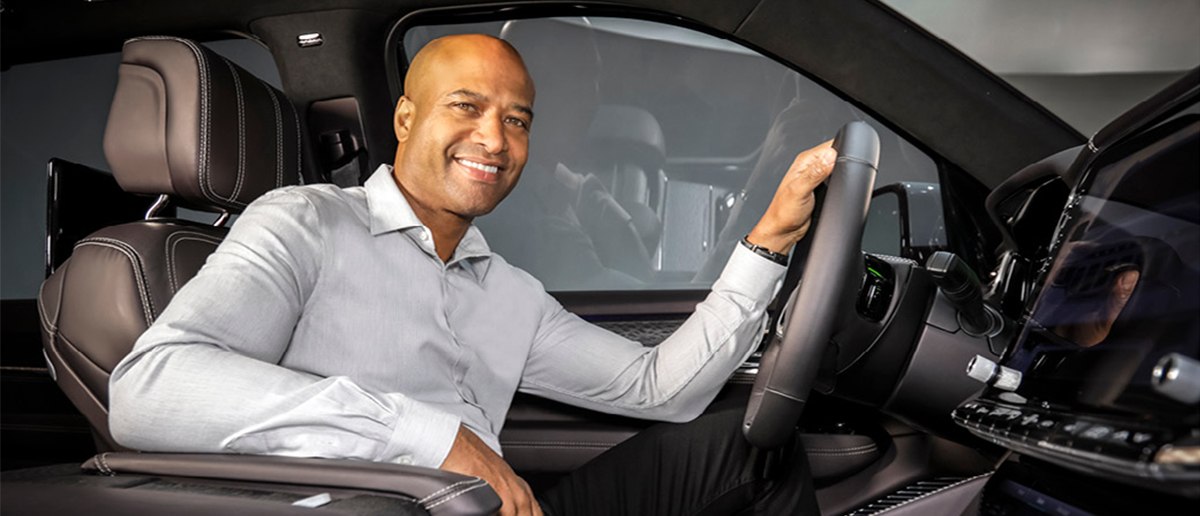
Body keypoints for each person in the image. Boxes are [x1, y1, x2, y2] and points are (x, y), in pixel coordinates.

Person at [109, 34, 836, 516]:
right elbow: (150, 391)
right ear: (404, 119)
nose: (494, 137)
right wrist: (432, 438)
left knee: (751, 449)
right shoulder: (306, 224)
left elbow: (660, 388)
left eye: (516, 119)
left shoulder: (510, 292)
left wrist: (768, 237)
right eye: (467, 107)